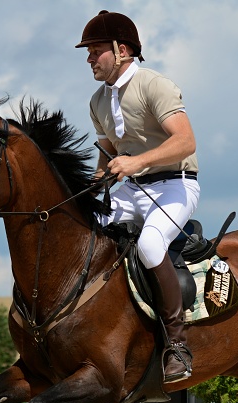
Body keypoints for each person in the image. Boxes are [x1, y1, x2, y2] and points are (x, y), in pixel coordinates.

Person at [77, 10, 200, 383]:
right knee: (86, 235)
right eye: (88, 52)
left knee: (149, 244)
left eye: (95, 51)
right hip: (131, 188)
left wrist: (136, 163)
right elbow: (108, 154)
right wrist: (92, 185)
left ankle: (176, 344)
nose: (88, 59)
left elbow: (185, 142)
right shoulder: (98, 101)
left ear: (122, 50)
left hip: (176, 183)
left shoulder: (154, 85)